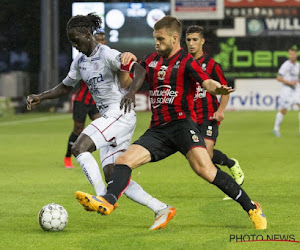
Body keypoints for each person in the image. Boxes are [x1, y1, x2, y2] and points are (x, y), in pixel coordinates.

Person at [75, 16, 267, 230]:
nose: (156, 43)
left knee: (206, 170)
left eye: (160, 39)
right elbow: (126, 82)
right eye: (155, 39)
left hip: (182, 126)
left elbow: (207, 83)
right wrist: (124, 65)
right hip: (158, 129)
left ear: (175, 38)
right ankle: (108, 201)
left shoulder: (187, 61)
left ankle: (252, 207)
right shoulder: (150, 60)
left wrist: (217, 88)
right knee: (122, 161)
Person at [27, 13, 176, 230]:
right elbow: (66, 86)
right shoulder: (80, 61)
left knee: (79, 147)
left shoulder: (106, 53)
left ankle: (102, 198)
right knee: (112, 174)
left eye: (76, 40)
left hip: (119, 112)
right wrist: (41, 96)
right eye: (71, 42)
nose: (75, 45)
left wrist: (131, 92)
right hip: (114, 117)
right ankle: (161, 208)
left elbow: (139, 70)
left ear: (88, 34)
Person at [185, 25, 244, 200]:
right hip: (189, 117)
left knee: (207, 155)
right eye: (188, 40)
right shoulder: (184, 63)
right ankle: (230, 164)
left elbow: (225, 90)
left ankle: (231, 170)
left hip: (208, 115)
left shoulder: (211, 65)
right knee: (198, 158)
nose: (191, 43)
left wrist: (221, 110)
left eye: (195, 39)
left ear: (202, 41)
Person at [64, 28, 106, 168]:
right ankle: (68, 157)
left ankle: (98, 155)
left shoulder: (108, 57)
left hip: (96, 101)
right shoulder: (84, 57)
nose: (100, 41)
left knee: (103, 126)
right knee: (77, 129)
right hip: (82, 100)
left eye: (102, 39)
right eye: (98, 39)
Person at [273, 45, 300, 137]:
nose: (292, 56)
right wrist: (289, 82)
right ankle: (276, 129)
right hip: (287, 89)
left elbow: (296, 77)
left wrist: (297, 81)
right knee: (284, 109)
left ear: (296, 55)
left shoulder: (297, 65)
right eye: (290, 54)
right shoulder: (285, 65)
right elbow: (278, 78)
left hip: (296, 89)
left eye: (293, 54)